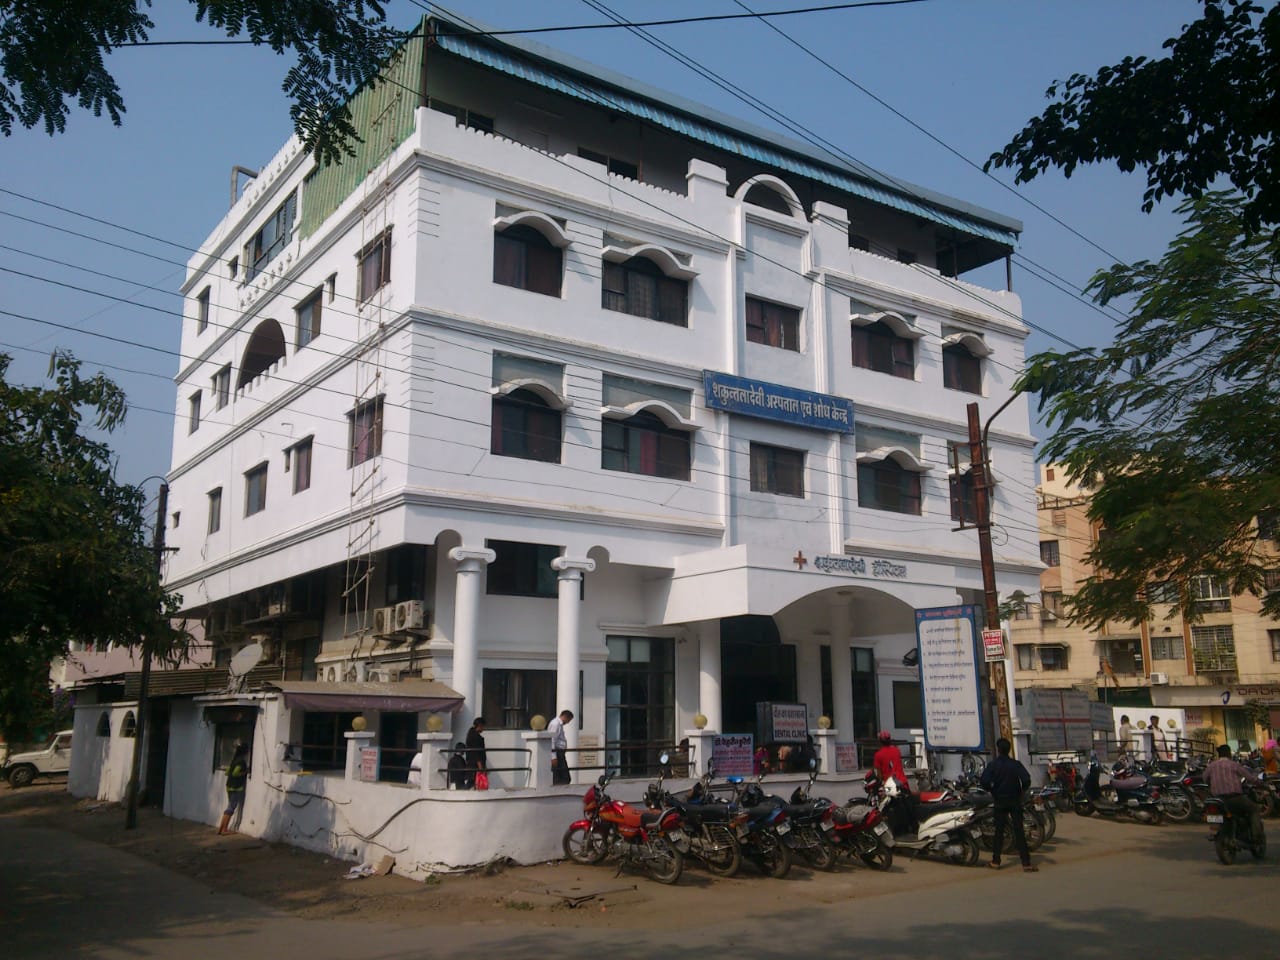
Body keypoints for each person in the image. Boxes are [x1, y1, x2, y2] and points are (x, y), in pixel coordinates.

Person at [979, 737, 1037, 872]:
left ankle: (996, 861)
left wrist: (992, 790)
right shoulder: (1015, 764)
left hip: (999, 801)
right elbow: (1026, 780)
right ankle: (1026, 863)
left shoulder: (993, 765)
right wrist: (1021, 792)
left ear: (998, 750)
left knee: (999, 832)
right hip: (1015, 801)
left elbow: (984, 781)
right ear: (1009, 749)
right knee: (1019, 831)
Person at [1205, 743, 1264, 842]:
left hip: (1218, 800)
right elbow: (1250, 778)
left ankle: (1213, 832)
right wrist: (1260, 783)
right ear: (1229, 753)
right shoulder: (1234, 765)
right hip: (1234, 798)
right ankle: (1256, 836)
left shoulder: (1211, 766)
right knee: (1254, 809)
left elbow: (1205, 778)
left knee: (1213, 813)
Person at [217, 742, 249, 836]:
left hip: (229, 786)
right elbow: (235, 773)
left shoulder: (233, 760)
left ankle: (221, 828)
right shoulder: (241, 762)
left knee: (229, 807)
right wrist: (244, 773)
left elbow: (227, 772)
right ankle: (224, 829)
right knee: (231, 808)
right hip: (236, 787)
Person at [546, 709, 574, 786]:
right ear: (566, 717)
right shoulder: (556, 724)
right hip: (557, 752)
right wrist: (553, 757)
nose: (568, 722)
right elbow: (552, 740)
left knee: (561, 775)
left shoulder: (558, 724)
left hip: (559, 752)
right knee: (563, 776)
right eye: (569, 720)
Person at [465, 717, 488, 789]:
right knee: (473, 781)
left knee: (473, 781)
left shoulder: (471, 734)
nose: (484, 728)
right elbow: (476, 753)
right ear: (480, 726)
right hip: (475, 764)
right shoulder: (476, 737)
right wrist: (480, 766)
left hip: (472, 763)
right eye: (483, 726)